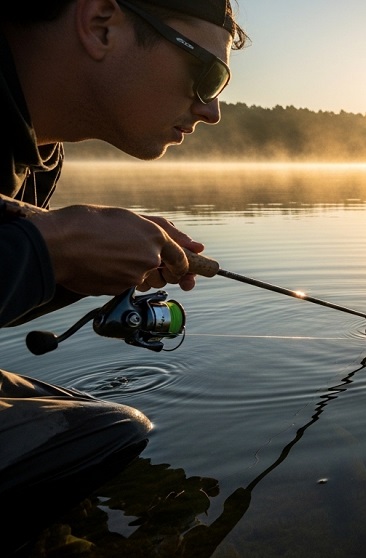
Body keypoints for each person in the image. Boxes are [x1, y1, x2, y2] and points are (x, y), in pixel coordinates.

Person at [0, 0, 248, 552]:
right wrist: (53, 246)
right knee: (109, 433)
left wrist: (75, 266)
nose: (211, 111)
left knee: (81, 421)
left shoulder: (39, 154)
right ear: (100, 25)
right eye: (207, 74)